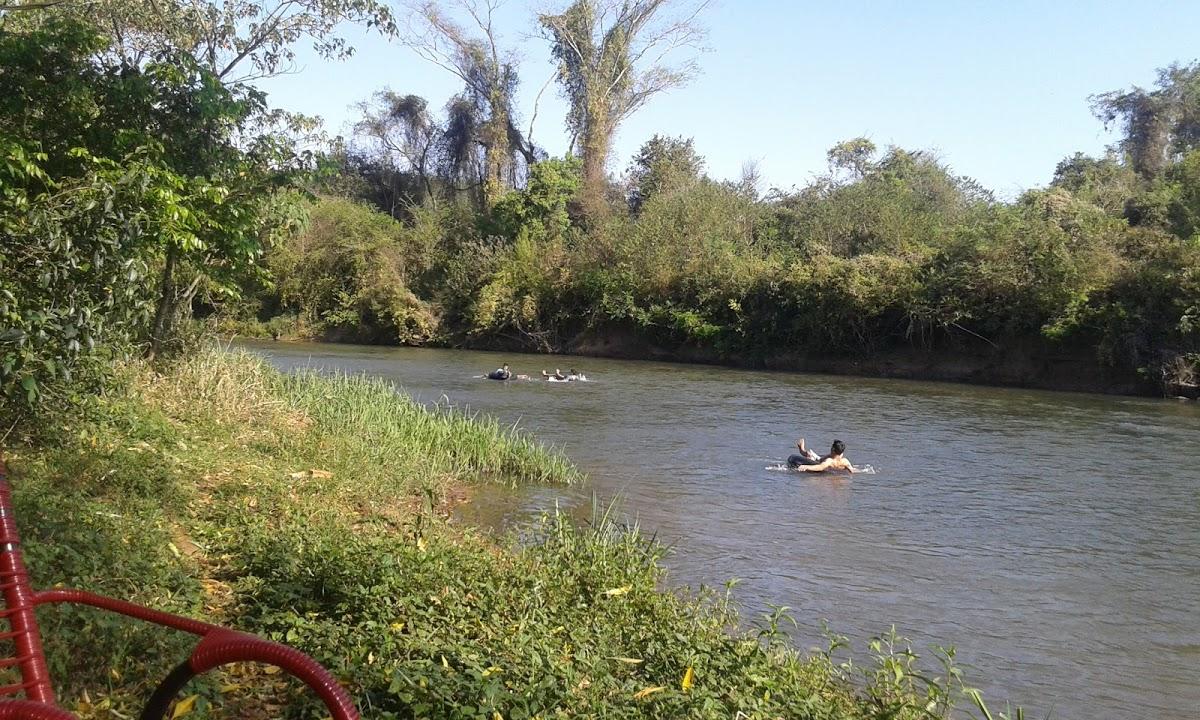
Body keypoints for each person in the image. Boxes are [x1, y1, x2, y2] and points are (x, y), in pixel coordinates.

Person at [788, 439, 858, 473]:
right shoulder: (845, 461)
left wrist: (805, 467)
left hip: (819, 463)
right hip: (822, 461)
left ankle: (802, 449)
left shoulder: (829, 461)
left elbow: (820, 467)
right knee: (814, 457)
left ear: (833, 449)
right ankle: (803, 450)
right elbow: (852, 470)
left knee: (811, 457)